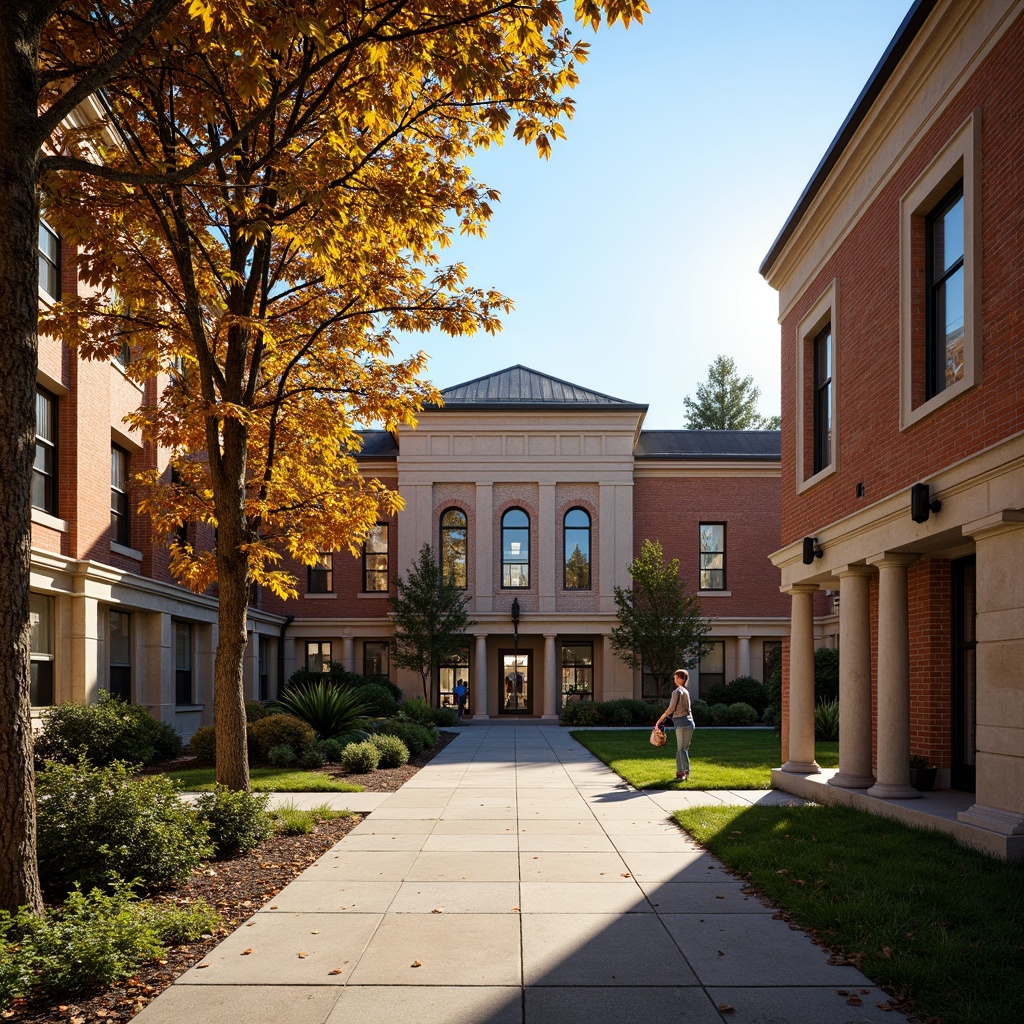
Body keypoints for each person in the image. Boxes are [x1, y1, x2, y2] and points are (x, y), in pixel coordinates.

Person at [656, 669, 695, 781]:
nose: (675, 679)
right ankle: (680, 771)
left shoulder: (677, 692)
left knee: (681, 749)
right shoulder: (686, 692)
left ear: (682, 679)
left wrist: (661, 719)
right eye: (674, 678)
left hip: (681, 724)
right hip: (690, 723)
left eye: (677, 677)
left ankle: (685, 772)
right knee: (682, 748)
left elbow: (671, 708)